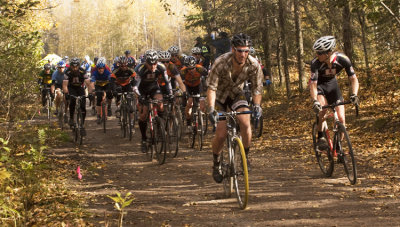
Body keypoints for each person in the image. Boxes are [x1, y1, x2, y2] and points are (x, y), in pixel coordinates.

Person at [207, 33, 263, 183]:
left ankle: (245, 157)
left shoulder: (254, 64)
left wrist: (257, 105)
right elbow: (211, 87)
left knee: (245, 122)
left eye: (246, 51)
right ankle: (216, 163)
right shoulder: (220, 62)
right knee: (221, 134)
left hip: (237, 95)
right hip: (219, 97)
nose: (243, 54)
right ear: (233, 49)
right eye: (239, 50)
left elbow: (257, 88)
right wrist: (211, 109)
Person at [310, 36, 359, 150]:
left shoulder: (343, 59)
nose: (317, 55)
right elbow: (312, 84)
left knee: (341, 119)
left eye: (320, 52)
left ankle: (339, 146)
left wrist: (354, 94)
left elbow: (353, 79)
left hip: (332, 85)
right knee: (322, 110)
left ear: (329, 52)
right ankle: (320, 137)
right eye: (317, 52)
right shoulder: (315, 63)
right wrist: (315, 101)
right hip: (320, 86)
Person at [133, 50, 172, 153]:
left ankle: (160, 128)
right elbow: (135, 87)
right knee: (143, 114)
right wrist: (139, 97)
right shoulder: (140, 69)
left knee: (160, 104)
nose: (153, 66)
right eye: (150, 64)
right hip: (141, 90)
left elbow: (167, 82)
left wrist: (170, 94)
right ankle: (144, 139)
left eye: (155, 63)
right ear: (146, 62)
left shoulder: (161, 67)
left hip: (154, 88)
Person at [63, 58, 90, 136]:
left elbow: (88, 83)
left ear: (78, 66)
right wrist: (66, 93)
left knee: (83, 106)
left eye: (76, 67)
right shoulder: (67, 72)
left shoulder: (82, 71)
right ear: (70, 66)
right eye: (73, 67)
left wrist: (91, 93)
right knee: (72, 101)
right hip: (71, 88)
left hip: (80, 88)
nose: (75, 68)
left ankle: (82, 125)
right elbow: (64, 85)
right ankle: (71, 118)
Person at [181, 56, 208, 127]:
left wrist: (207, 88)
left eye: (193, 68)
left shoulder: (200, 68)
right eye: (189, 69)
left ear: (195, 66)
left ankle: (202, 117)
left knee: (202, 103)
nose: (191, 70)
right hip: (188, 87)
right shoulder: (183, 71)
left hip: (198, 86)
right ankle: (188, 123)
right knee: (190, 104)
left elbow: (208, 76)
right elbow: (181, 83)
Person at [90, 57, 113, 124]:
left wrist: (111, 89)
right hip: (98, 85)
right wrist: (93, 90)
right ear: (97, 68)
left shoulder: (107, 71)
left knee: (110, 94)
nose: (100, 70)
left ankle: (109, 107)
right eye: (99, 69)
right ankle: (98, 115)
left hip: (106, 84)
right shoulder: (94, 72)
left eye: (102, 68)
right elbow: (92, 82)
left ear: (104, 68)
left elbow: (110, 80)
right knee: (99, 98)